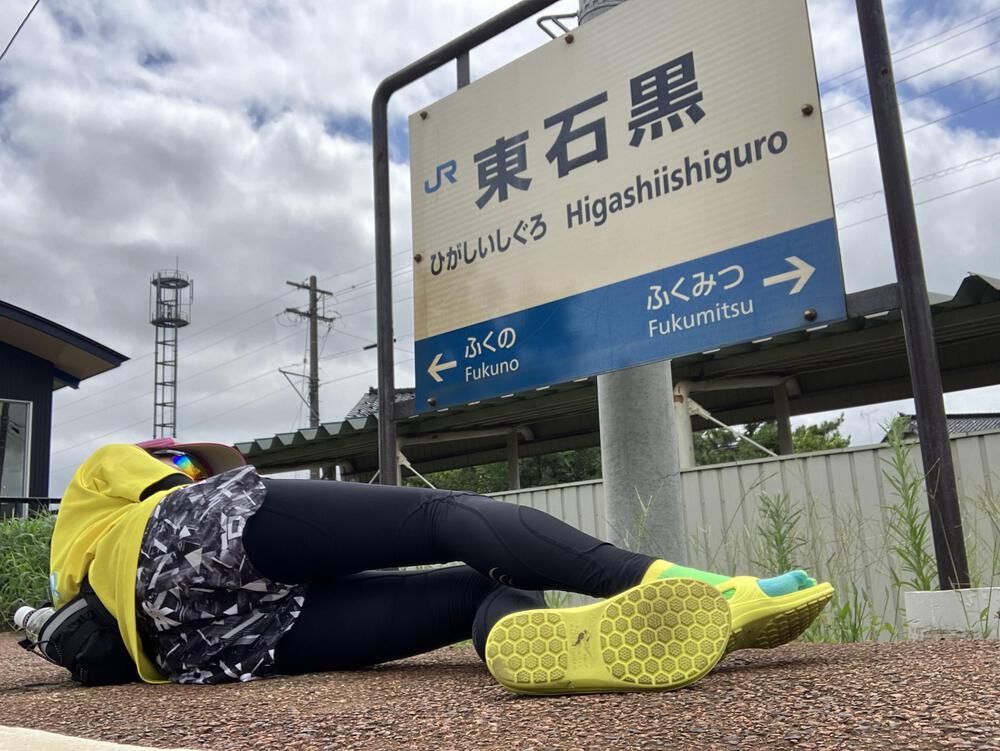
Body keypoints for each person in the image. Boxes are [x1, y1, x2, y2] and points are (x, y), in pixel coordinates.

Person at [47, 439, 833, 695]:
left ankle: (534, 640)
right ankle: (690, 584)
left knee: (477, 591)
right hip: (178, 541)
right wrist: (194, 465)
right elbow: (204, 474)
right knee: (442, 516)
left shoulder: (67, 572)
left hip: (202, 643)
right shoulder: (112, 471)